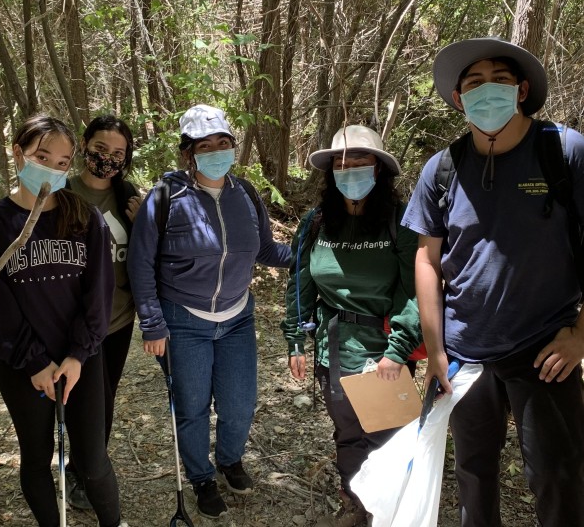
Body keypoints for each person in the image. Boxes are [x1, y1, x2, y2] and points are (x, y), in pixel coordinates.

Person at [401, 37, 584, 526]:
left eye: (499, 81)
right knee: (474, 476)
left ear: (521, 89)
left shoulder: (563, 152)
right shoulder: (442, 168)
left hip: (544, 351)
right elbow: (427, 258)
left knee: (556, 477)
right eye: (474, 83)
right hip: (465, 351)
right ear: (459, 99)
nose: (487, 92)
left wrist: (581, 335)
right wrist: (435, 350)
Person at [127, 104, 291, 519]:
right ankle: (200, 476)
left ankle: (230, 460)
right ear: (189, 153)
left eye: (223, 142)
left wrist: (317, 254)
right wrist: (152, 323)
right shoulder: (165, 198)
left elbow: (268, 250)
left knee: (239, 402)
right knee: (193, 406)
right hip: (183, 320)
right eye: (205, 144)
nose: (217, 150)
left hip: (237, 317)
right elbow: (141, 262)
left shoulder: (247, 194)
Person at [0, 115, 128, 527]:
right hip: (23, 368)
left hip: (80, 363)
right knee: (36, 457)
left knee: (93, 459)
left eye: (63, 162)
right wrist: (33, 361)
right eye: (42, 156)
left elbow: (99, 294)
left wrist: (79, 354)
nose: (51, 167)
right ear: (18, 153)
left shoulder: (84, 217)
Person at [280, 125, 422, 527]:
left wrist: (397, 351)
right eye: (342, 163)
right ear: (330, 172)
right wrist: (296, 341)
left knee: (387, 436)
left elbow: (414, 293)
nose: (351, 170)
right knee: (347, 432)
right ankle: (355, 501)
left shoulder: (402, 221)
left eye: (361, 162)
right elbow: (299, 285)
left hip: (384, 349)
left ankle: (387, 511)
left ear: (379, 170)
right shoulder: (317, 223)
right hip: (333, 347)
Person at [64, 115, 141, 509]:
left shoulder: (129, 198)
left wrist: (144, 223)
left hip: (119, 319)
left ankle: (87, 466)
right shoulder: (61, 193)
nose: (107, 159)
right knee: (84, 403)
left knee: (105, 398)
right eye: (100, 150)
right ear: (84, 145)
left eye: (117, 153)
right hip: (73, 326)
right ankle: (80, 470)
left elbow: (146, 257)